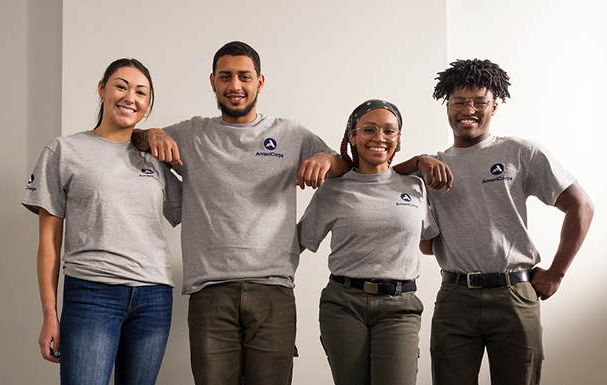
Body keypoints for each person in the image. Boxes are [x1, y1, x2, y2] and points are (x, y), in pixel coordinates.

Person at [130, 41, 351, 385]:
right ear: (213, 81)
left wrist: (325, 158)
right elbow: (136, 139)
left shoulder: (290, 133)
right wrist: (153, 132)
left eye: (244, 77)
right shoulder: (192, 132)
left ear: (259, 82)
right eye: (226, 77)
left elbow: (344, 165)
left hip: (273, 291)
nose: (235, 86)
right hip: (209, 291)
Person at [421, 59, 594, 385]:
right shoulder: (433, 167)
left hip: (514, 295)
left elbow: (581, 206)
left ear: (495, 107)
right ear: (447, 106)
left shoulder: (520, 152)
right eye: (458, 101)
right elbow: (427, 247)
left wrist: (556, 274)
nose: (468, 109)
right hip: (455, 299)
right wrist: (418, 161)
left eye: (479, 102)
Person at [22, 58, 182, 385]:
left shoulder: (154, 158)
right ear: (102, 89)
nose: (130, 97)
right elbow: (49, 244)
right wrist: (50, 315)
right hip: (92, 294)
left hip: (153, 298)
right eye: (121, 86)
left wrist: (157, 135)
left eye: (141, 92)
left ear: (148, 105)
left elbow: (194, 209)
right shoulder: (64, 151)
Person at [297, 99, 439, 385]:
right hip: (343, 304)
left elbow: (428, 244)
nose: (379, 138)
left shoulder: (415, 186)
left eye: (389, 131)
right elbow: (299, 243)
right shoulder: (333, 189)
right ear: (352, 136)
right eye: (369, 130)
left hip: (399, 306)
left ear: (398, 139)